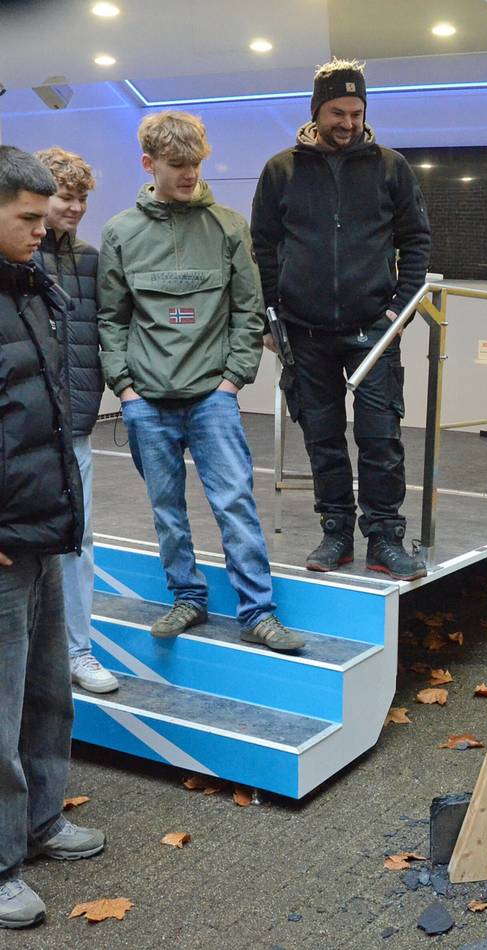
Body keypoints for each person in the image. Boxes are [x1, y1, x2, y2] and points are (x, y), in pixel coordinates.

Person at [98, 111, 303, 652]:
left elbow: (248, 311)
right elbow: (112, 319)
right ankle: (187, 598)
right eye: (177, 165)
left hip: (213, 397)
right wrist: (125, 388)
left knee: (234, 502)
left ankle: (257, 611)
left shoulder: (229, 227)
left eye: (196, 164)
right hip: (147, 400)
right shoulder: (121, 232)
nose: (190, 175)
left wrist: (233, 381)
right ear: (149, 164)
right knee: (167, 508)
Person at [251, 57, 432, 581]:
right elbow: (263, 245)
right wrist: (271, 316)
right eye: (337, 111)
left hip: (374, 326)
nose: (348, 122)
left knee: (380, 437)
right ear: (317, 111)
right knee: (322, 437)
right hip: (303, 331)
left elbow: (416, 240)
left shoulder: (391, 167)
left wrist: (401, 308)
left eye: (356, 112)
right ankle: (335, 534)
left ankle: (385, 539)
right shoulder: (281, 169)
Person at [0, 145, 105, 930]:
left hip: (43, 526)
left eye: (46, 216)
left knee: (46, 693)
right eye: (28, 218)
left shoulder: (32, 287)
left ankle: (40, 820)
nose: (44, 230)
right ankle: (1, 861)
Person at [33, 146, 117, 694]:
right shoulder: (17, 259)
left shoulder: (89, 259)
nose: (78, 207)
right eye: (67, 196)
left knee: (80, 541)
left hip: (77, 428)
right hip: (24, 429)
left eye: (83, 197)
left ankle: (77, 652)